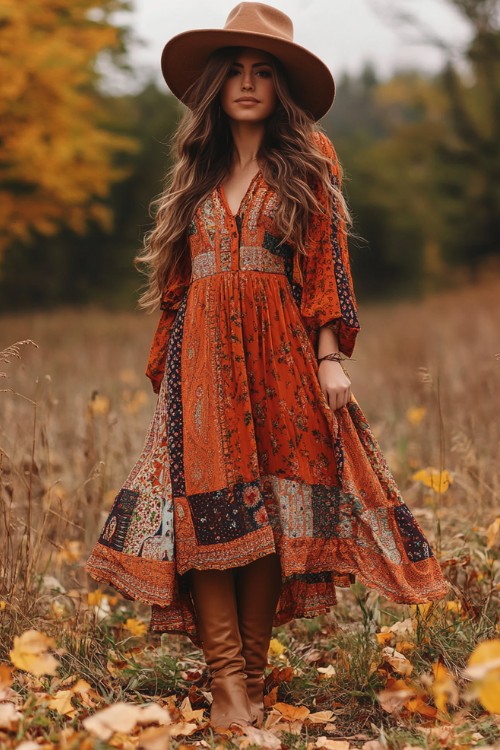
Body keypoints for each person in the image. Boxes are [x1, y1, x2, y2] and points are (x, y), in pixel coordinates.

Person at [85, 1, 448, 734]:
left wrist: (330, 354)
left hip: (282, 350)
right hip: (203, 357)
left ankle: (250, 677)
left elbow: (328, 267)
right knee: (210, 516)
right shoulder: (199, 166)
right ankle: (225, 685)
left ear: (281, 86)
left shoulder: (310, 156)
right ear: (216, 84)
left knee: (271, 518)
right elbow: (178, 281)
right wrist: (169, 362)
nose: (248, 84)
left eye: (263, 72)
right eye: (236, 71)